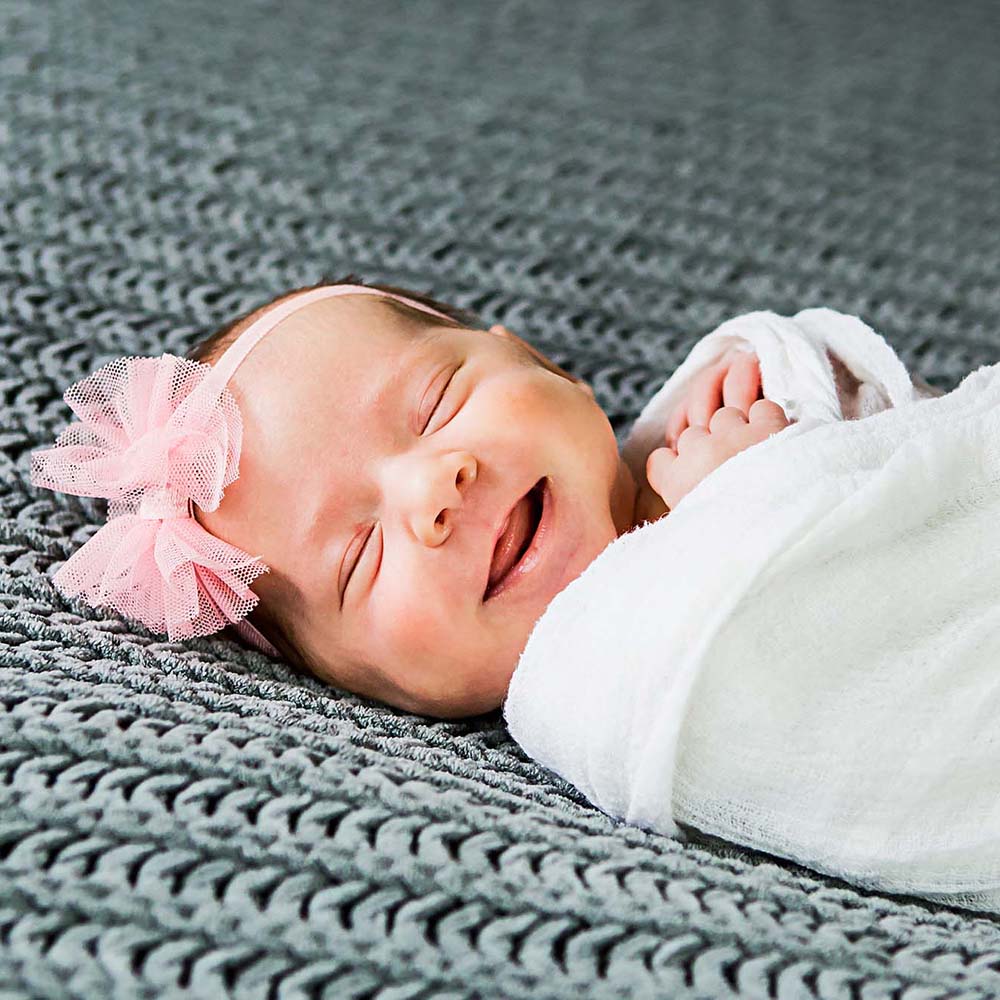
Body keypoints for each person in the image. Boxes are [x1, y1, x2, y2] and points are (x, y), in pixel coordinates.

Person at [30, 276, 793, 718]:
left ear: (538, 360)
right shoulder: (606, 718)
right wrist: (749, 513)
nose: (432, 488)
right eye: (361, 556)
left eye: (435, 404)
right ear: (371, 691)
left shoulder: (741, 394)